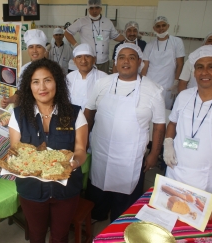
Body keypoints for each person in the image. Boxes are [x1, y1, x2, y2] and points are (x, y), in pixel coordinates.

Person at [8, 58, 88, 242]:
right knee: (36, 235)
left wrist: (74, 163)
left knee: (60, 236)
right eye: (35, 82)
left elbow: (80, 149)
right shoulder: (18, 115)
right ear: (29, 86)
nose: (42, 87)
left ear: (57, 83)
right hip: (31, 190)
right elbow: (15, 149)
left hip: (66, 191)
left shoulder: (75, 114)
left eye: (47, 80)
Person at [84, 43, 166, 222]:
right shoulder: (103, 83)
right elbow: (89, 113)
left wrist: (154, 153)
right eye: (121, 57)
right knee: (99, 187)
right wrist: (83, 140)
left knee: (125, 195)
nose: (126, 61)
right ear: (115, 62)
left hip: (130, 155)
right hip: (102, 150)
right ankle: (98, 215)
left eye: (131, 57)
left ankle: (119, 223)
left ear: (140, 63)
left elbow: (160, 125)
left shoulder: (153, 90)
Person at [164, 45, 212, 205]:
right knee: (169, 216)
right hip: (175, 173)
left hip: (206, 181)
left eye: (211, 67)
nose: (204, 72)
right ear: (194, 71)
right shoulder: (183, 96)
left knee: (194, 225)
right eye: (199, 67)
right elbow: (172, 123)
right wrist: (168, 143)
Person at [65, 0, 124, 74]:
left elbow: (116, 36)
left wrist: (128, 39)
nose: (94, 10)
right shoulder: (82, 21)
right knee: (89, 82)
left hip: (104, 61)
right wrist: (76, 45)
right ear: (88, 9)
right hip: (88, 61)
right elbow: (67, 33)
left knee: (103, 81)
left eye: (97, 8)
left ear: (101, 9)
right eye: (92, 8)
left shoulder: (107, 22)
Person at [142, 16, 185, 109]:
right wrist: (142, 82)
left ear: (168, 26)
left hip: (168, 85)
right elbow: (145, 66)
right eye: (158, 26)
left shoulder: (177, 42)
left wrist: (176, 83)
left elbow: (180, 64)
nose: (161, 28)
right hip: (151, 83)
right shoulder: (150, 45)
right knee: (148, 108)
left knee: (164, 111)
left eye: (163, 25)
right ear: (154, 28)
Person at [1, 29, 48, 108]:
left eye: (38, 47)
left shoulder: (52, 69)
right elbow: (20, 93)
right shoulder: (24, 69)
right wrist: (9, 100)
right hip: (28, 110)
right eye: (31, 47)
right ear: (28, 50)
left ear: (44, 50)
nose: (34, 50)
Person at [66, 43, 107, 110]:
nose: (83, 60)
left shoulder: (103, 77)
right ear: (74, 61)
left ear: (94, 60)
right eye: (79, 57)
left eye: (87, 56)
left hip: (96, 119)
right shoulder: (69, 77)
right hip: (73, 118)